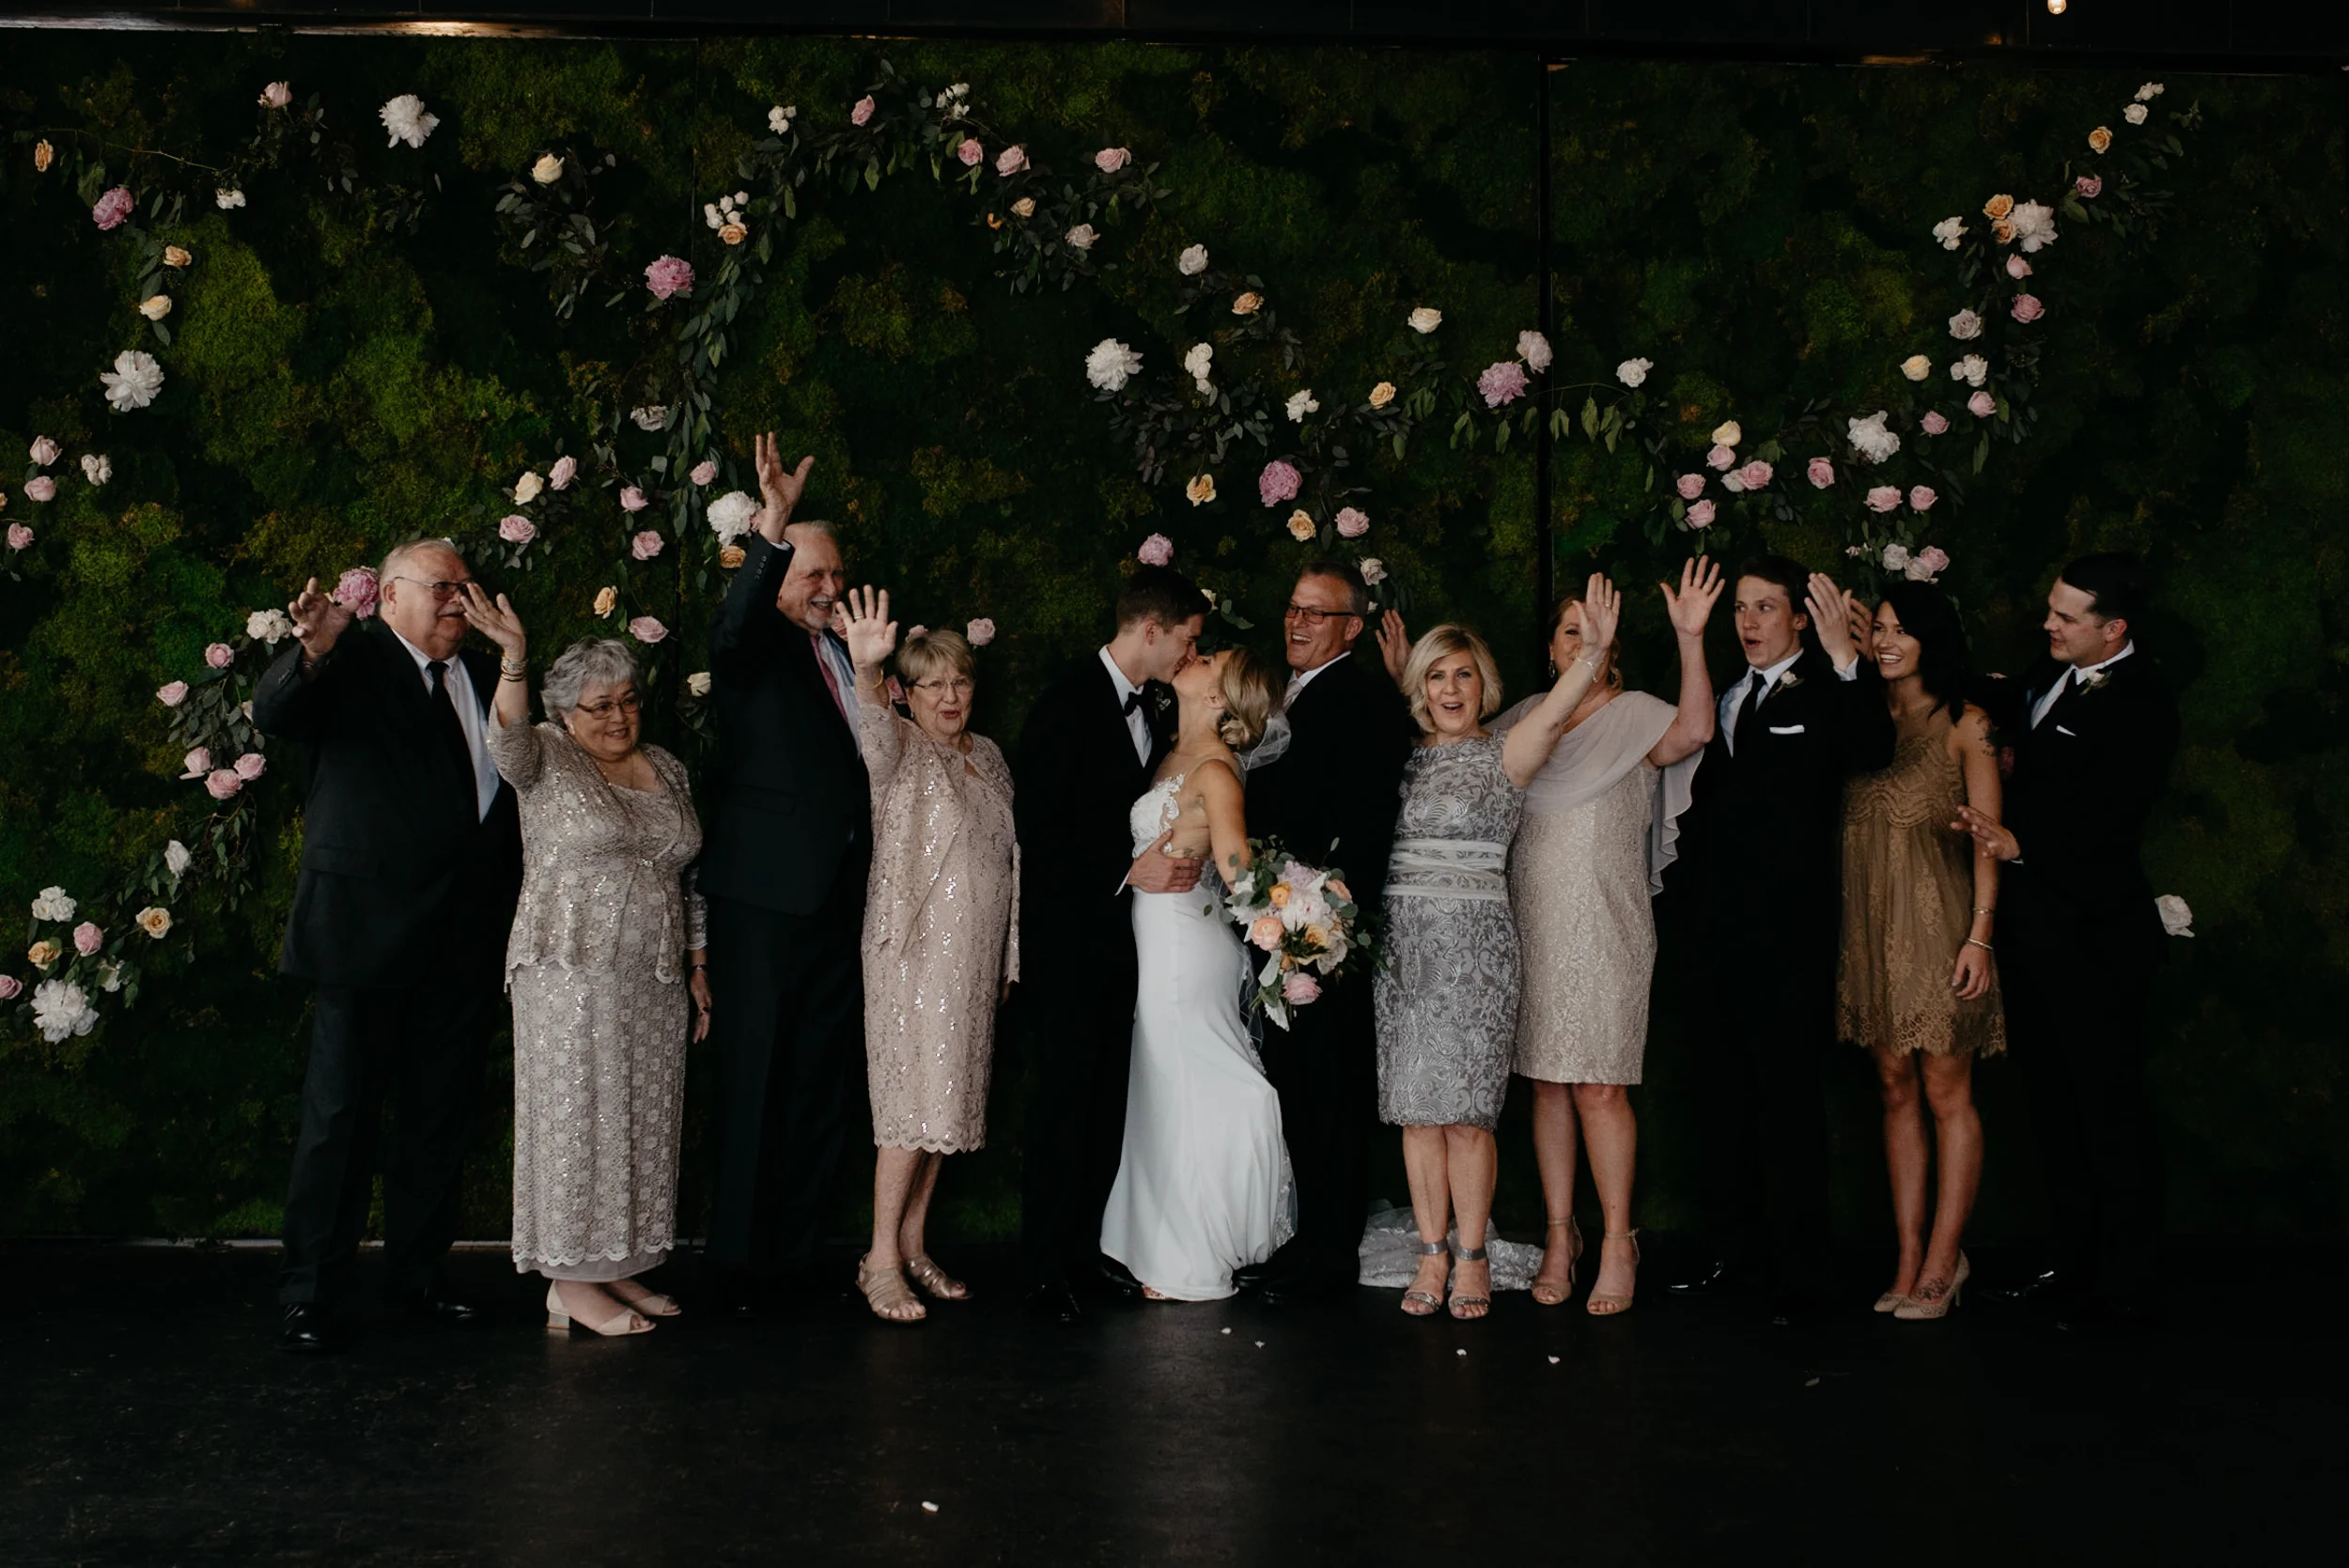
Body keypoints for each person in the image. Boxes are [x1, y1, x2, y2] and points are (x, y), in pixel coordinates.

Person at [253, 537, 523, 1354]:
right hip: (364, 931)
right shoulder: (353, 658)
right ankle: (311, 1291)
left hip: (465, 936)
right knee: (339, 1119)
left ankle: (417, 1277)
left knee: (439, 1119)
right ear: (393, 595)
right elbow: (278, 713)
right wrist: (313, 648)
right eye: (443, 587)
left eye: (467, 587)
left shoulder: (484, 677)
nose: (458, 601)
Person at [461, 600, 708, 1339]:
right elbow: (503, 739)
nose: (618, 716)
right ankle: (569, 1281)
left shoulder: (665, 764)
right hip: (569, 971)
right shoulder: (542, 752)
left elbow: (687, 877)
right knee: (578, 1119)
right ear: (565, 712)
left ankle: (615, 1263)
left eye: (628, 699)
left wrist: (699, 961)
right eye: (599, 705)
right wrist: (512, 655)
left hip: (655, 974)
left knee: (640, 1123)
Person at [1376, 580, 1620, 1322]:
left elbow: (1557, 708)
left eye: (1464, 674)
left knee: (1466, 1116)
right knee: (1418, 1111)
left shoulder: (1508, 752)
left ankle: (1473, 1253)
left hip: (1477, 954)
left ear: (1486, 684)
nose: (1451, 689)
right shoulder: (1402, 754)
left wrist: (1595, 651)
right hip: (1405, 953)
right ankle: (1430, 1249)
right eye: (1437, 675)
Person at [1954, 553, 2179, 1334]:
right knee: (2053, 1109)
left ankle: (2124, 1288)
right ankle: (2075, 1267)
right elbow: (2010, 706)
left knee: (2107, 1112)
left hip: (2100, 945)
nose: (2047, 623)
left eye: (2066, 616)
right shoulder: (2047, 673)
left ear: (2114, 629)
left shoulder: (2144, 701)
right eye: (2050, 608)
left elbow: (2110, 820)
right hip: (2041, 940)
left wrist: (2019, 845)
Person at [1490, 558, 1721, 1316]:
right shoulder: (1528, 717)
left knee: (1599, 1083)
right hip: (1532, 920)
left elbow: (1696, 730)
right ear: (1554, 650)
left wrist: (1691, 638)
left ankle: (1618, 1237)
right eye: (1567, 630)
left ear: (1610, 646)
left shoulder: (1637, 713)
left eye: (1590, 630)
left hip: (1609, 922)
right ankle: (1561, 1235)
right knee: (1547, 1081)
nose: (1577, 639)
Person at [1667, 555, 1894, 1324]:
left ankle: (1802, 1271)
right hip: (1711, 936)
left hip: (1788, 940)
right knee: (1719, 1096)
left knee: (1789, 1102)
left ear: (1801, 617)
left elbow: (1870, 750)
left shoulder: (1831, 690)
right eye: (1742, 607)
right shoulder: (1730, 692)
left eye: (1767, 608)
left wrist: (1844, 657)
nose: (1751, 621)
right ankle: (1736, 1252)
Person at [697, 434, 871, 1312]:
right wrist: (771, 529)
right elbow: (732, 624)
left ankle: (797, 1255)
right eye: (814, 575)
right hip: (761, 903)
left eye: (835, 575)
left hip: (840, 903)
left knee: (817, 1083)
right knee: (754, 1077)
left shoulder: (848, 652)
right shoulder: (752, 645)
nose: (829, 589)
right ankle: (736, 1265)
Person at [1012, 567, 1207, 1321]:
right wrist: (1128, 866)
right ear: (1151, 630)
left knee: (1104, 1106)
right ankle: (1040, 1271)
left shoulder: (1156, 707)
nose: (1193, 653)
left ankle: (1086, 1256)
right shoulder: (1064, 704)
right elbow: (1042, 831)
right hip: (1066, 946)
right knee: (1062, 1104)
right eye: (1189, 638)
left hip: (1126, 946)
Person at [836, 593, 1019, 1325]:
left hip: (973, 962)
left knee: (945, 1109)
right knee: (910, 1108)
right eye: (932, 685)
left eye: (961, 682)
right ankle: (878, 1258)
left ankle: (914, 1243)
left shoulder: (992, 757)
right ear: (907, 695)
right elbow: (871, 726)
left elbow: (1013, 863)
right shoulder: (900, 750)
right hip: (911, 957)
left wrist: (1008, 958)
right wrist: (866, 672)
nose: (949, 697)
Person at [1237, 562, 1415, 1305]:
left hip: (1324, 935)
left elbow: (1369, 825)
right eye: (1292, 608)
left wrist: (1331, 926)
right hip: (1276, 923)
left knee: (1331, 1093)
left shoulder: (1367, 699)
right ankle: (1305, 1240)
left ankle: (1329, 1253)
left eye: (1316, 613)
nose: (1297, 623)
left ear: (1350, 627)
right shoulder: (1284, 696)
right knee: (1296, 1089)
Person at [1099, 646, 1294, 1300]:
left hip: (1188, 944)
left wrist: (1299, 921)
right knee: (1166, 1085)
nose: (1191, 654)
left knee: (1204, 1083)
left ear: (1219, 695)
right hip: (1157, 942)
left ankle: (1201, 1245)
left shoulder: (1216, 771)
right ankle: (1166, 1242)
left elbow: (1240, 874)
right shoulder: (1166, 754)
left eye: (1207, 657)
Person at [1840, 583, 2006, 1322]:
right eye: (1878, 629)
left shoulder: (1966, 724)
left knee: (1945, 1091)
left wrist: (1981, 935)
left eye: (1901, 631)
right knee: (1894, 1084)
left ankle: (1946, 1259)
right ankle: (1907, 1256)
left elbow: (1988, 842)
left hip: (1942, 932)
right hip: (1870, 934)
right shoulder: (1864, 717)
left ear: (1932, 638)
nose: (1886, 641)